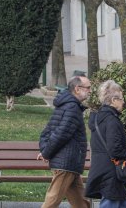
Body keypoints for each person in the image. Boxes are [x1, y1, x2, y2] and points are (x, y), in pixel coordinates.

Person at [37, 76, 92, 208]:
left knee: (81, 203)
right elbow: (61, 135)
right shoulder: (72, 108)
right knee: (52, 200)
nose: (90, 91)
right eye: (88, 88)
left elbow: (48, 131)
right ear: (77, 89)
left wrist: (45, 151)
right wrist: (46, 153)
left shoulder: (66, 105)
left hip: (70, 164)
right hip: (66, 163)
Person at [85, 80, 126, 208]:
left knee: (123, 202)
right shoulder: (111, 120)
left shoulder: (99, 118)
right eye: (121, 99)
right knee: (111, 202)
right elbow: (115, 149)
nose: (123, 102)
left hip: (103, 168)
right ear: (113, 100)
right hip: (111, 171)